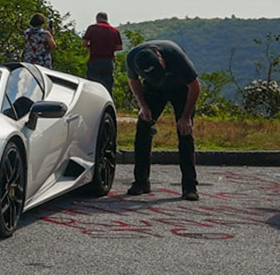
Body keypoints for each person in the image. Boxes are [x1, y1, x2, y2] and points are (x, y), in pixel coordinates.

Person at [126, 40, 201, 201]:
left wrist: (186, 117)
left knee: (185, 132)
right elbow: (133, 81)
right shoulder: (132, 58)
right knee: (143, 128)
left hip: (181, 89)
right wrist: (143, 106)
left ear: (159, 57)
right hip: (154, 90)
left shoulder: (175, 55)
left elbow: (195, 86)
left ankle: (189, 187)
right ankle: (141, 182)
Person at [82, 12, 123, 95]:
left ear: (97, 19)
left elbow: (84, 43)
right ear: (107, 19)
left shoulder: (92, 28)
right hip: (108, 61)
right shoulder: (114, 30)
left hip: (95, 60)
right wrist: (109, 48)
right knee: (108, 86)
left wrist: (93, 46)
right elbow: (120, 47)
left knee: (93, 86)